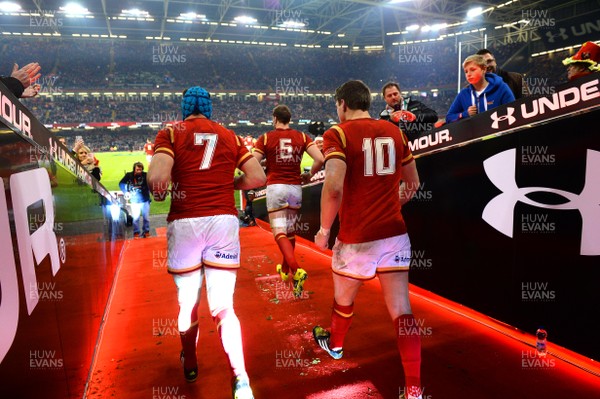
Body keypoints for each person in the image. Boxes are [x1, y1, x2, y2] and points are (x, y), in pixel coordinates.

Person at [147, 86, 265, 399]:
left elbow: (157, 179)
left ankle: (191, 361)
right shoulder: (230, 135)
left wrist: (163, 191)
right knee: (225, 307)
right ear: (209, 107)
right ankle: (241, 379)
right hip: (222, 221)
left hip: (185, 221)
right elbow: (257, 178)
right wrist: (231, 183)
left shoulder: (171, 132)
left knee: (188, 304)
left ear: (185, 107)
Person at [312, 80, 423, 399]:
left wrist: (323, 231)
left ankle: (335, 345)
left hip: (356, 238)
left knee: (344, 301)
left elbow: (332, 187)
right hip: (395, 236)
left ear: (342, 103)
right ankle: (414, 389)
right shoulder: (395, 131)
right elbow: (413, 184)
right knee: (402, 310)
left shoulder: (339, 133)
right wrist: (390, 205)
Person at [252, 104, 324, 298]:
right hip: (294, 188)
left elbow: (252, 161)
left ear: (275, 118)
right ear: (289, 119)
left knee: (279, 232)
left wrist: (266, 165)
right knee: (290, 232)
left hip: (276, 187)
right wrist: (309, 175)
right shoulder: (301, 137)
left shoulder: (266, 138)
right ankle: (286, 271)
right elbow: (320, 158)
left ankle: (296, 269)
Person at [445, 54, 515, 123]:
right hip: (474, 133)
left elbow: (514, 110)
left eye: (472, 70)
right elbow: (449, 118)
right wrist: (465, 114)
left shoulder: (501, 88)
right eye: (466, 71)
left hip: (500, 132)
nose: (468, 74)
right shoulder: (463, 94)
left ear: (484, 69)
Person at [119, 162, 151, 238]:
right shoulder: (129, 175)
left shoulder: (146, 175)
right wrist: (125, 191)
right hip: (134, 200)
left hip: (145, 200)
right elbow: (121, 183)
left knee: (146, 218)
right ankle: (136, 232)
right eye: (137, 169)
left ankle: (146, 231)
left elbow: (152, 183)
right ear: (134, 169)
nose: (139, 170)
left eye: (140, 169)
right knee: (135, 218)